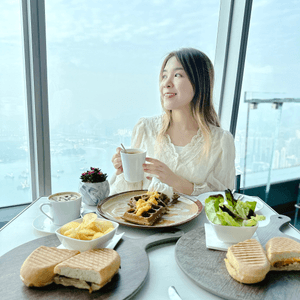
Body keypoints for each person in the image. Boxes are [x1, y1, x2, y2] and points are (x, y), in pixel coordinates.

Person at [110, 48, 236, 196]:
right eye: (164, 76)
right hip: (144, 219)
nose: (166, 83)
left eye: (177, 75)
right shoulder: (145, 128)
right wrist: (123, 172)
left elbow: (224, 201)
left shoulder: (221, 141)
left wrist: (175, 181)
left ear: (200, 82)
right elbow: (125, 196)